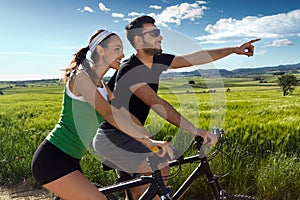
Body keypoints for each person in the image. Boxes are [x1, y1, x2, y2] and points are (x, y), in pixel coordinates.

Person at [93, 15, 260, 199]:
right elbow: (158, 104)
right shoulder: (130, 69)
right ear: (139, 40)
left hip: (134, 134)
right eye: (154, 33)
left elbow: (195, 58)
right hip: (114, 137)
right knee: (161, 167)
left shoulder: (156, 61)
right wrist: (196, 130)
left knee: (140, 192)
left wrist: (234, 49)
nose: (160, 37)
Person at [31, 29, 173, 200]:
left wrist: (150, 140)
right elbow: (109, 114)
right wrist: (148, 143)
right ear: (100, 50)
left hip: (72, 160)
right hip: (53, 159)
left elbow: (122, 114)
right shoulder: (82, 77)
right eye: (116, 49)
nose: (122, 55)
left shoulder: (102, 85)